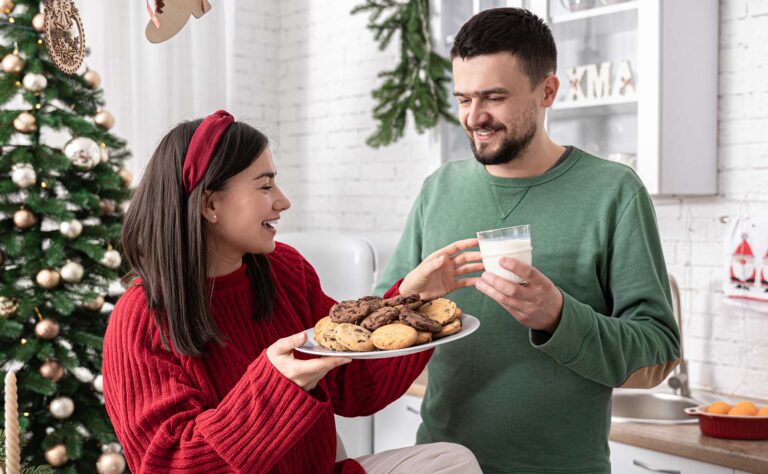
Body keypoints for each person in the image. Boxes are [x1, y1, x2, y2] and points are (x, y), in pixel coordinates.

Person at [374, 8, 681, 473]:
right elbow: (380, 335)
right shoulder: (439, 189)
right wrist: (409, 297)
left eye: (494, 97)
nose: (475, 117)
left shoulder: (613, 192)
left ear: (548, 92)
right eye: (463, 98)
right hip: (443, 463)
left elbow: (658, 352)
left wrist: (559, 317)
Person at [102, 110, 483, 473]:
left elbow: (356, 387)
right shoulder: (141, 318)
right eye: (265, 185)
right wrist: (275, 388)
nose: (283, 201)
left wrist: (411, 304)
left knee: (452, 462)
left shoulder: (284, 269)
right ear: (209, 202)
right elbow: (169, 464)